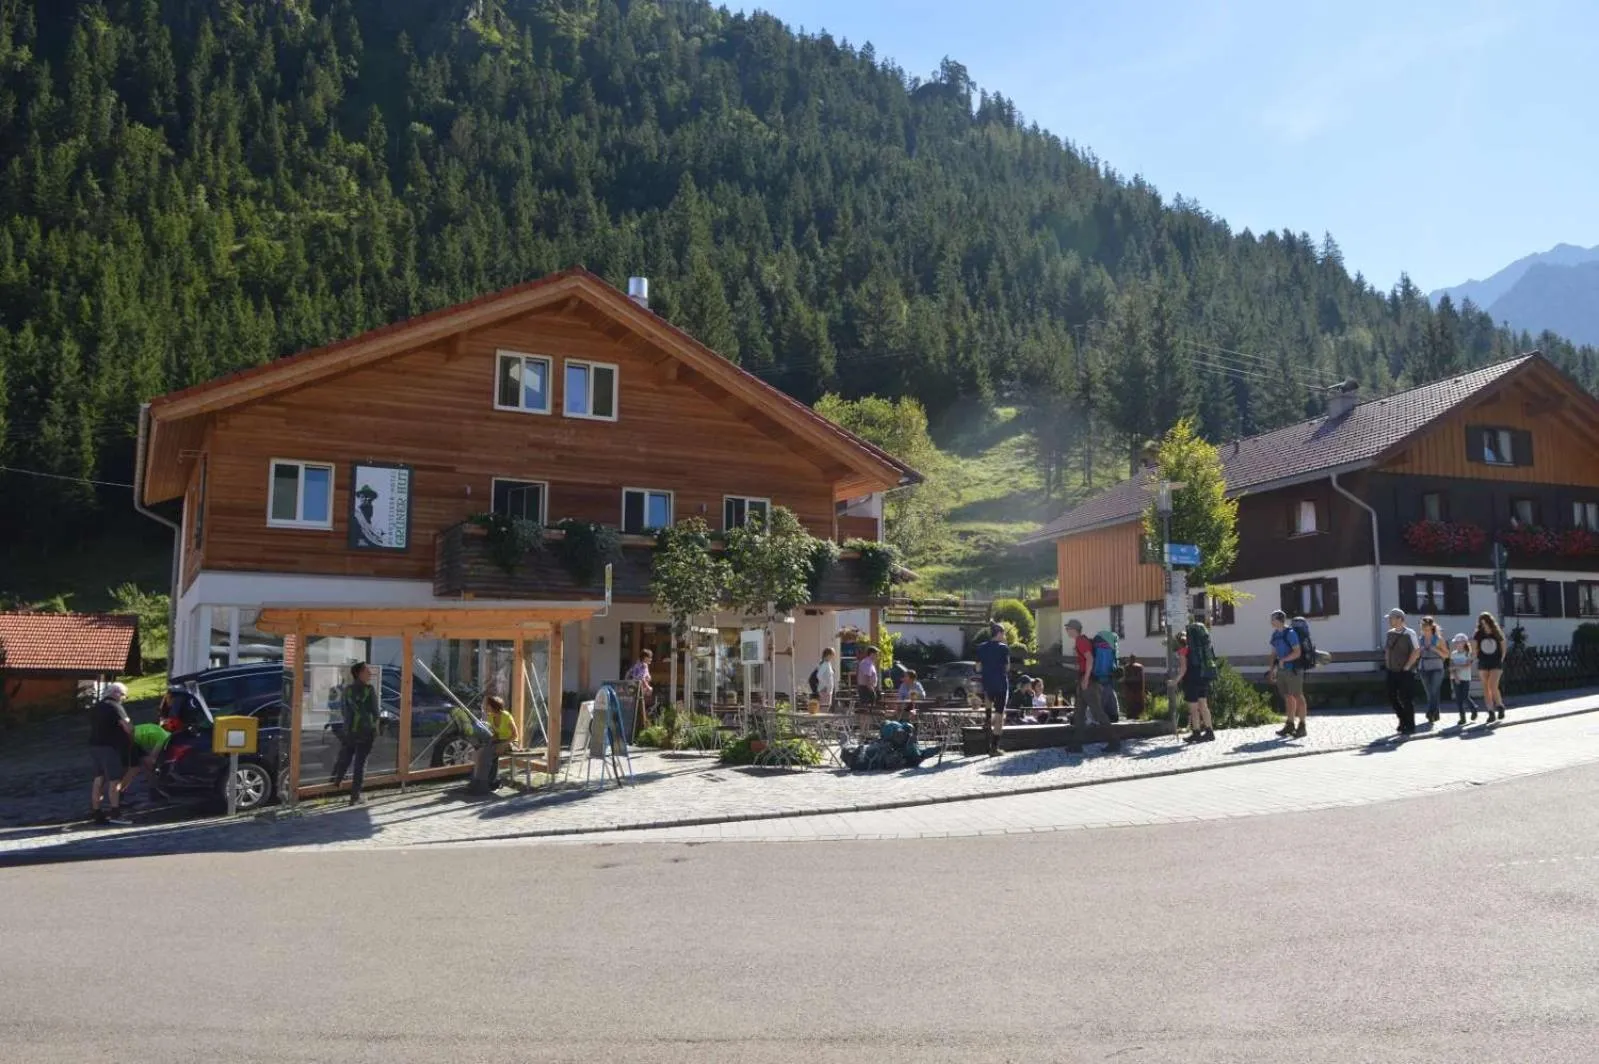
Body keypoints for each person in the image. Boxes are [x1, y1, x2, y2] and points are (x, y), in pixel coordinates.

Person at [330, 662, 380, 805]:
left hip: (350, 730)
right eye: (367, 671)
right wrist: (374, 724)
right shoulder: (369, 690)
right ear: (359, 673)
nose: (370, 673)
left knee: (346, 756)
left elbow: (343, 710)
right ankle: (355, 796)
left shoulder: (347, 690)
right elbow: (375, 712)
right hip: (365, 731)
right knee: (360, 763)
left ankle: (337, 781)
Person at [87, 682, 134, 826]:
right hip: (110, 747)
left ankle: (97, 813)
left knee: (98, 779)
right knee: (115, 780)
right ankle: (115, 813)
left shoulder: (97, 706)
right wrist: (132, 736)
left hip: (95, 746)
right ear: (116, 693)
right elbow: (126, 726)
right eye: (123, 695)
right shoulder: (115, 706)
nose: (123, 698)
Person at [1071, 627, 1123, 754]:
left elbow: (1090, 660)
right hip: (1086, 680)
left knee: (1098, 713)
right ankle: (1076, 744)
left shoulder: (1082, 642)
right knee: (1079, 712)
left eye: (1069, 629)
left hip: (1088, 682)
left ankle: (1114, 741)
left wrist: (1086, 679)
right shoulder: (1088, 642)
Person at [118, 716, 180, 805]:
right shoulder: (165, 738)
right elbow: (153, 757)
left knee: (149, 766)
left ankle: (155, 792)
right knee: (135, 769)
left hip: (133, 740)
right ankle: (118, 794)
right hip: (128, 740)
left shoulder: (161, 732)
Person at [1267, 611, 1307, 739]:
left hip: (1293, 670)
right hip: (1282, 671)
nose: (1270, 621)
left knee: (1298, 696)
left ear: (1279, 619)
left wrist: (1284, 660)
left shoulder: (1290, 634)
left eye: (1272, 619)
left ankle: (1302, 726)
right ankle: (1290, 724)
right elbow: (1273, 654)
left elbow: (1297, 652)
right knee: (1288, 697)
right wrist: (1272, 669)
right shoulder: (1275, 635)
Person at [1383, 608, 1421, 735]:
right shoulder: (1390, 633)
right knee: (1391, 696)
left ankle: (1410, 725)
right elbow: (1388, 650)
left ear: (1400, 619)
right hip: (1391, 670)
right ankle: (1402, 719)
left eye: (1392, 618)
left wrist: (1407, 666)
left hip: (1406, 671)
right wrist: (1387, 664)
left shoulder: (1410, 633)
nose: (1389, 620)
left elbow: (1416, 651)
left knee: (1406, 698)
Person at [974, 623, 1011, 756]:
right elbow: (1007, 668)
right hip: (1001, 684)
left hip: (987, 683)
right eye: (1004, 633)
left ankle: (988, 718)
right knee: (1000, 716)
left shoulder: (981, 647)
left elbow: (978, 668)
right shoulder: (1004, 648)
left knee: (988, 696)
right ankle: (994, 748)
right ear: (999, 633)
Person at [470, 695, 516, 795]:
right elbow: (496, 734)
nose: (484, 707)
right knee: (481, 752)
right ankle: (486, 781)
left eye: (486, 705)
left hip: (510, 742)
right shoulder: (491, 717)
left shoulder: (506, 716)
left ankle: (486, 782)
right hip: (498, 741)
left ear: (493, 705)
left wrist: (503, 744)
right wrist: (491, 740)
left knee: (488, 754)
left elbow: (515, 735)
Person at [1175, 631, 1216, 744]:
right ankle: (1210, 732)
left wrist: (1175, 681)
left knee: (1194, 709)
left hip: (1191, 682)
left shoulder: (1183, 650)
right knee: (1204, 706)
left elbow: (1183, 670)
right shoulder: (1199, 650)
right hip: (1203, 679)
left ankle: (1196, 733)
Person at [1474, 612, 1508, 722]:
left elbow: (1503, 647)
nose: (1484, 625)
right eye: (1482, 623)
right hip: (1483, 662)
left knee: (1493, 685)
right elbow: (1475, 648)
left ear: (1490, 622)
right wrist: (1476, 657)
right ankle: (1490, 711)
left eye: (1486, 622)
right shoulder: (1478, 634)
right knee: (1485, 687)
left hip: (1496, 662)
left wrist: (1501, 659)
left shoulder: (1497, 633)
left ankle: (1500, 705)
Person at [1416, 616, 1449, 724]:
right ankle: (1436, 712)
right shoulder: (1420, 639)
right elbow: (1417, 653)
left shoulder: (1438, 639)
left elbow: (1446, 655)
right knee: (1429, 692)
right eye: (1423, 628)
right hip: (1424, 667)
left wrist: (1435, 649)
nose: (1425, 631)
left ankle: (1430, 712)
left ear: (1431, 628)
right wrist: (1419, 651)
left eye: (1427, 628)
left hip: (1437, 667)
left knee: (1434, 690)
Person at [1449, 633, 1480, 726]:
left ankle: (1473, 708)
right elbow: (1451, 667)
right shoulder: (1453, 654)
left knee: (1465, 696)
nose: (1457, 644)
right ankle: (1462, 718)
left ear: (1464, 643)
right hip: (1455, 678)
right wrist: (1456, 676)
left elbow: (1468, 665)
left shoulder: (1468, 654)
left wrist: (1456, 666)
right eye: (1456, 643)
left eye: (1459, 642)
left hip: (1466, 678)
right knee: (1458, 699)